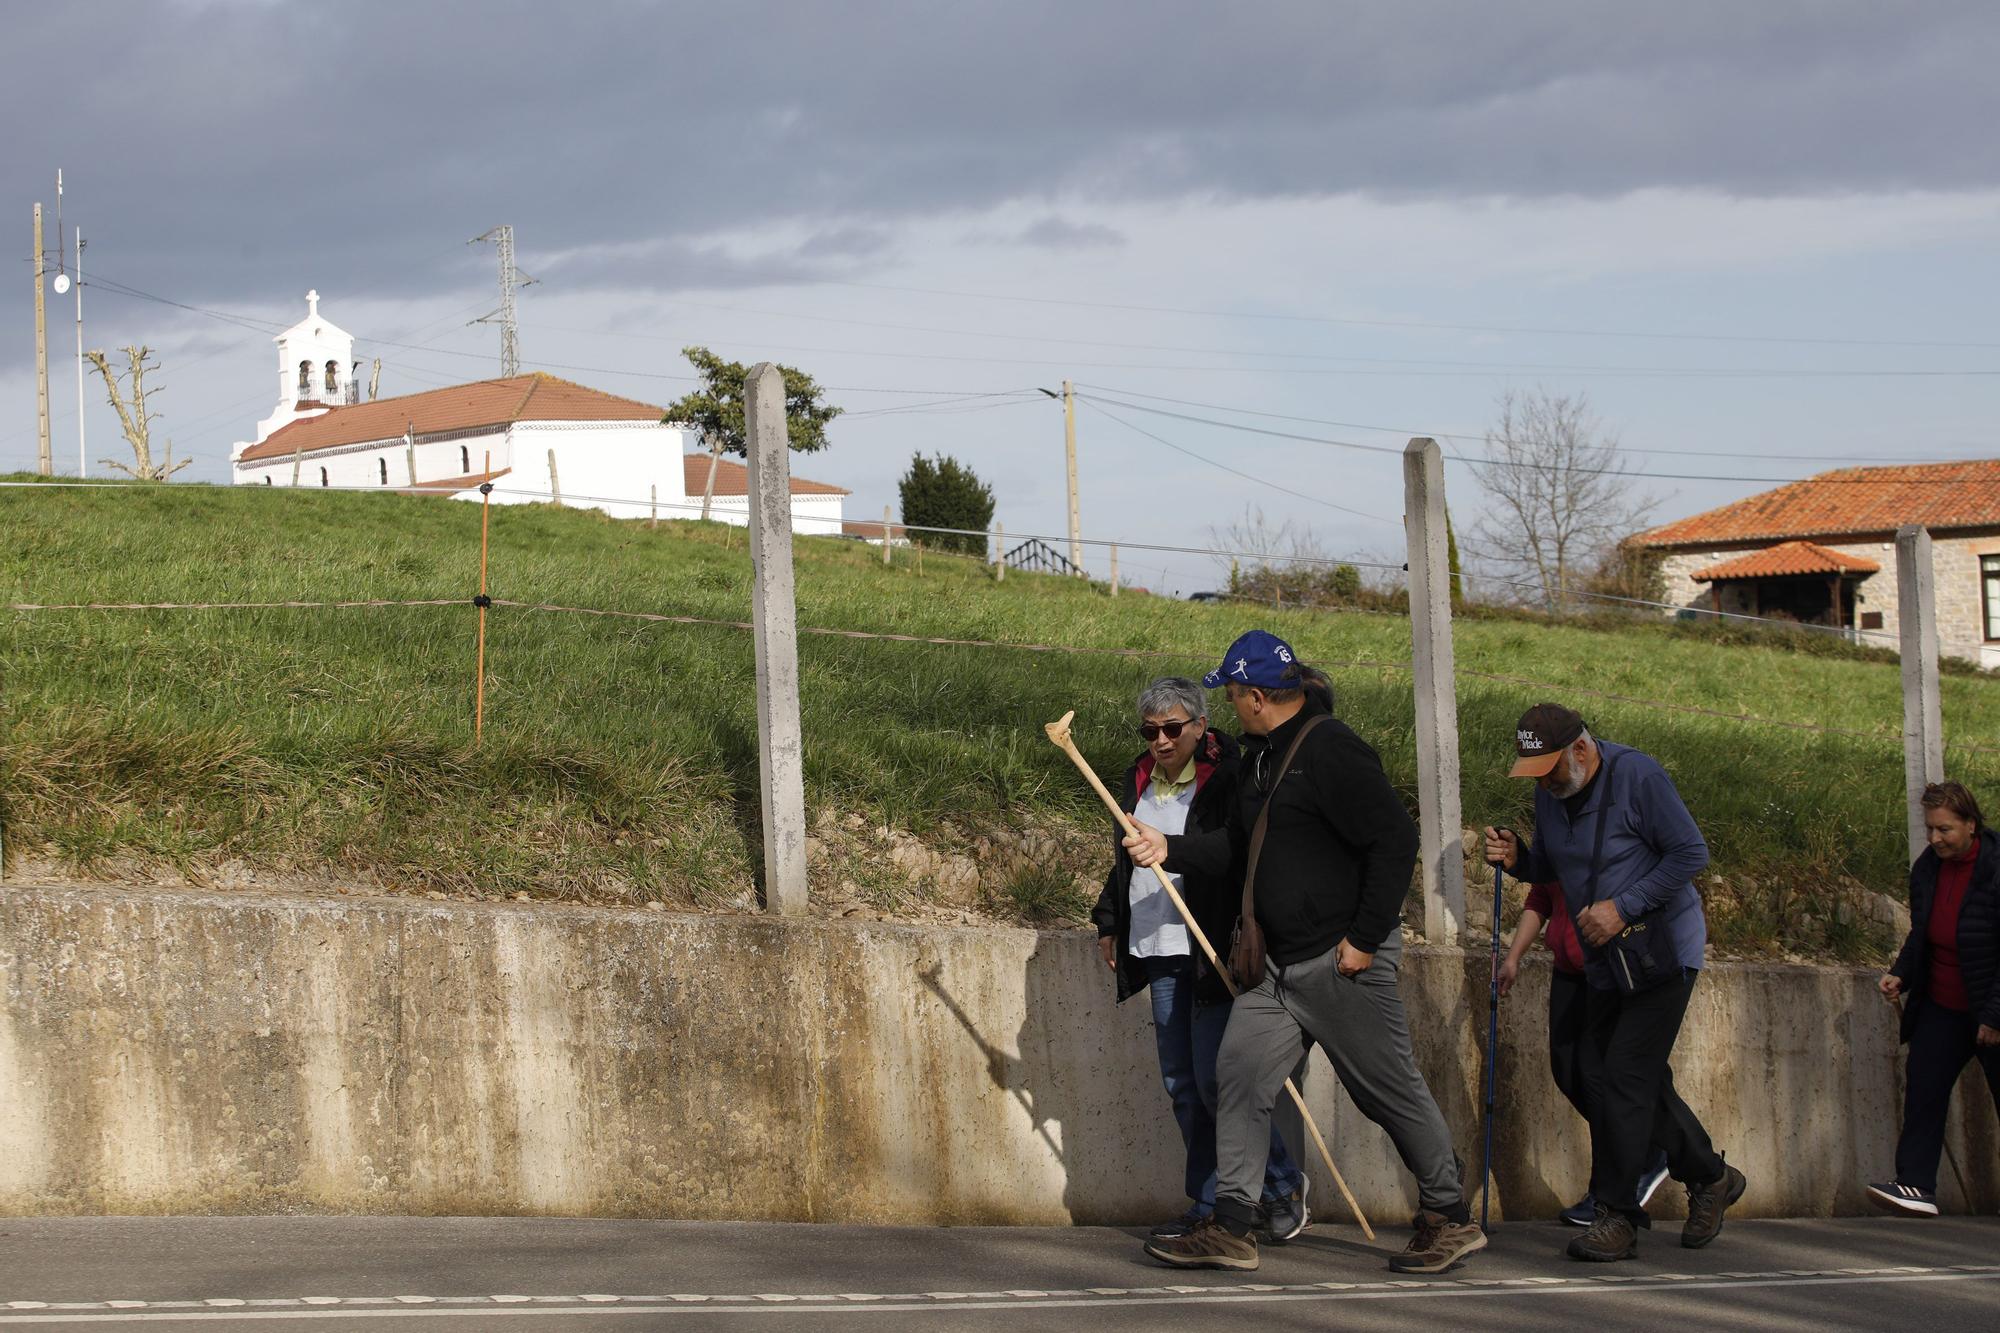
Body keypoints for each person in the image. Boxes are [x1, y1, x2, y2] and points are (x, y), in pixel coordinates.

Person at [1131, 630, 1485, 1275]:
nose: (1232, 705)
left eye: (1234, 694)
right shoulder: (1259, 759)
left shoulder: (1333, 751)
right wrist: (1168, 849)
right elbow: (1239, 847)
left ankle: (1450, 1216)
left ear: (1259, 696)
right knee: (1235, 1077)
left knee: (1388, 1093)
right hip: (1275, 972)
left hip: (1341, 962)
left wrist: (1364, 940)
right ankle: (1234, 1225)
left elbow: (1393, 841)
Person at [1484, 704, 1744, 1263]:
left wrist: (1623, 907)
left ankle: (1617, 1215)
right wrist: (1519, 858)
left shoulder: (1639, 777)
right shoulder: (1549, 792)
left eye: (1549, 768)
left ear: (1581, 749)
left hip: (1662, 951)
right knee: (1590, 1071)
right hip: (1605, 959)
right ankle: (1709, 1174)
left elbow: (1690, 853)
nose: (1545, 783)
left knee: (1623, 1074)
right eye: (1534, 772)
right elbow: (1553, 867)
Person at [1091, 676, 1310, 1243]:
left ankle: (1281, 1186)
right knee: (1182, 1084)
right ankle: (1213, 1202)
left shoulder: (1225, 777)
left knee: (1221, 1081)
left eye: (1171, 728)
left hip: (1208, 948)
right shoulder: (1136, 779)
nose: (1160, 741)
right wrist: (1111, 919)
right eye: (1150, 731)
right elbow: (1123, 855)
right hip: (1157, 948)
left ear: (1199, 727)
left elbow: (1235, 854)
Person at [1496, 876, 1670, 1225]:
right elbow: (1540, 898)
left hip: (1609, 967)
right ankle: (1645, 1150)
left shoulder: (1605, 831)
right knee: (1566, 1070)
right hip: (1568, 970)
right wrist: (1513, 956)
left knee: (1599, 1079)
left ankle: (1609, 1189)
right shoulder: (1557, 832)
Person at [1867, 781, 2000, 1216]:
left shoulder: (1995, 866)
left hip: (1991, 1006)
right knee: (1923, 1089)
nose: (1935, 838)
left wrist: (1995, 1016)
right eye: (1931, 829)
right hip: (1943, 1005)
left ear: (1970, 825)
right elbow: (1922, 932)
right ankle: (1915, 1185)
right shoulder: (1928, 868)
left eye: (1944, 830)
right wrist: (1901, 973)